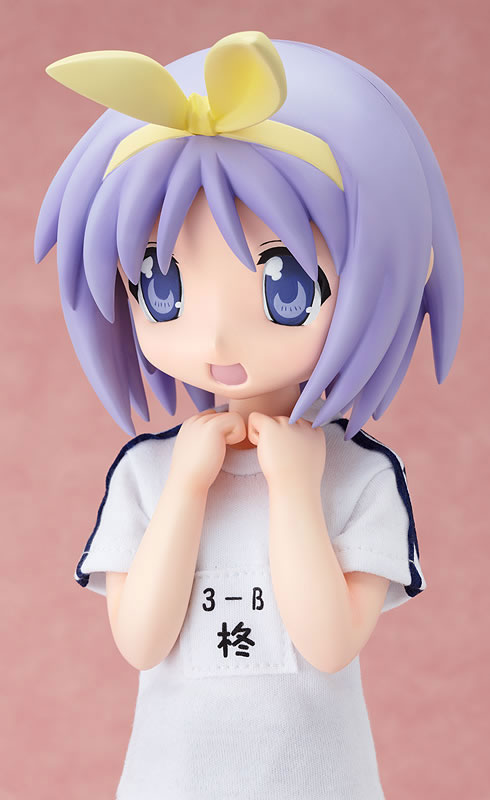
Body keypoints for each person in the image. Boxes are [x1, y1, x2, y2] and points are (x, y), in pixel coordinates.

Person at [35, 31, 463, 800]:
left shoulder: (361, 478)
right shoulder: (147, 474)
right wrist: (186, 489)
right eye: (162, 288)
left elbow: (329, 644)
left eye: (284, 289)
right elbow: (141, 641)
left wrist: (295, 491)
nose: (215, 340)